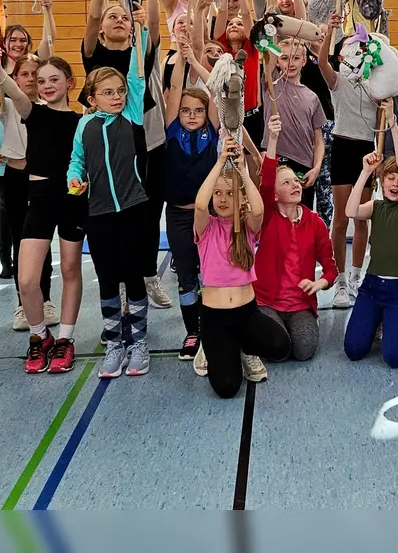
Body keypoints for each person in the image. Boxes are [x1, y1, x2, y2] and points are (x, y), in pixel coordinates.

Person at [79, 0, 172, 311]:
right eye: (111, 18)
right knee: (113, 218)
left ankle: (147, 275)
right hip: (107, 149)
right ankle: (118, 283)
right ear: (101, 29)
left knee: (148, 213)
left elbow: (148, 20)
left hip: (144, 143)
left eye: (123, 16)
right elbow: (91, 17)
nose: (118, 19)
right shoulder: (93, 54)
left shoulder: (140, 54)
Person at [0, 54, 86, 376]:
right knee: (28, 279)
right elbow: (12, 90)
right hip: (41, 199)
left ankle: (65, 338)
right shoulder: (32, 113)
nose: (46, 85)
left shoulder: (80, 122)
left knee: (71, 269)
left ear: (69, 83)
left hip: (73, 199)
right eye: (41, 80)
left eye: (54, 80)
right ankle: (39, 335)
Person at [68, 67, 157, 378]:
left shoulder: (131, 116)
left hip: (134, 209)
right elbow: (76, 160)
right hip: (99, 212)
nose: (117, 96)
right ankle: (115, 343)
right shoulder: (85, 125)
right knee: (107, 278)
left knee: (133, 276)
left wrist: (140, 31)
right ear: (92, 99)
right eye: (108, 93)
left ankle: (139, 342)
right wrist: (75, 179)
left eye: (119, 91)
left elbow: (137, 79)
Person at [192, 137, 290, 397]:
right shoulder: (206, 228)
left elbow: (258, 210)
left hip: (246, 313)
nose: (223, 199)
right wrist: (221, 161)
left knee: (281, 346)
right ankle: (213, 345)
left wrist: (243, 173)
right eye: (218, 193)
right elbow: (201, 204)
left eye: (230, 193)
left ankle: (245, 349)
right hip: (214, 316)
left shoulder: (247, 228)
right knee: (226, 388)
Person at [255, 114, 337, 361]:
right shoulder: (268, 215)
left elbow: (331, 270)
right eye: (287, 182)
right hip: (267, 301)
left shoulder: (315, 223)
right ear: (276, 195)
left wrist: (319, 284)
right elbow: (267, 179)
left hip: (301, 304)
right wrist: (273, 138)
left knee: (304, 351)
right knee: (278, 350)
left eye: (296, 180)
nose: (295, 185)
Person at [345, 115, 398, 368]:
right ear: (382, 180)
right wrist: (366, 172)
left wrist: (392, 123)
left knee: (394, 357)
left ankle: (397, 324)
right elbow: (350, 211)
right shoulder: (376, 206)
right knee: (354, 349)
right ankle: (381, 320)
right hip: (372, 287)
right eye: (390, 178)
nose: (396, 183)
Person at [0, 55, 57, 332]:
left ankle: (47, 298)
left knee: (42, 241)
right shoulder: (5, 104)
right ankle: (21, 302)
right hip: (15, 177)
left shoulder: (47, 106)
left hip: (42, 177)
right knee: (20, 239)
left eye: (34, 74)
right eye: (23, 74)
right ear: (14, 79)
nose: (29, 78)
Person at [164, 33, 222, 361]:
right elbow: (174, 90)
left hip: (210, 215)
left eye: (197, 110)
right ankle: (192, 330)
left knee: (210, 272)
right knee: (187, 275)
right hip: (178, 215)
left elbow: (212, 89)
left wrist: (195, 57)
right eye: (186, 110)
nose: (190, 115)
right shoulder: (172, 129)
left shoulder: (211, 131)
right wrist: (182, 58)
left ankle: (213, 324)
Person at [316, 25, 381, 309]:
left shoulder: (374, 82)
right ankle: (340, 281)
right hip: (342, 145)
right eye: (349, 49)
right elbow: (321, 62)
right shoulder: (338, 81)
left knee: (361, 217)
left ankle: (356, 277)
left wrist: (378, 151)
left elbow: (381, 118)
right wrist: (330, 30)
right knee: (340, 219)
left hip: (366, 149)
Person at [261, 38, 326, 213]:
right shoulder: (269, 87)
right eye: (284, 58)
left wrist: (316, 167)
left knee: (301, 217)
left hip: (304, 166)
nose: (290, 63)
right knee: (275, 217)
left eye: (296, 58)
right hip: (277, 160)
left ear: (304, 61)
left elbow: (319, 141)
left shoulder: (312, 97)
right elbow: (267, 62)